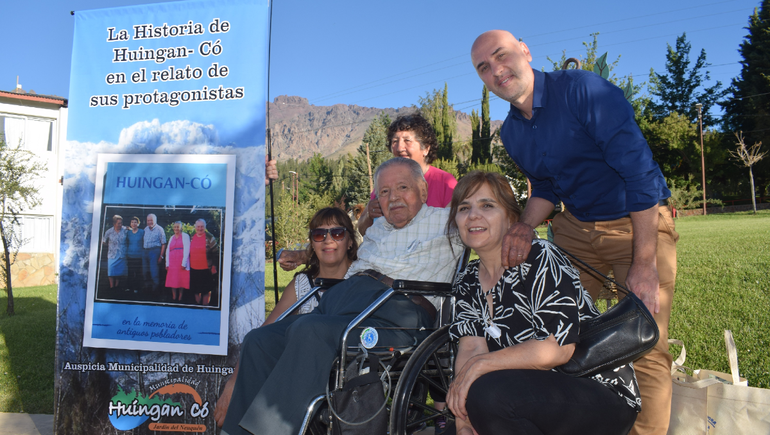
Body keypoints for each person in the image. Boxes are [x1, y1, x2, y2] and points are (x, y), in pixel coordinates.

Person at [470, 30, 678, 435]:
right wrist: (524, 227)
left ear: (525, 51)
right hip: (574, 229)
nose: (496, 70)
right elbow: (546, 187)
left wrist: (644, 261)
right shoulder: (511, 132)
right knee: (559, 338)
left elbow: (639, 175)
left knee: (645, 341)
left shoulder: (584, 91)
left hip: (635, 224)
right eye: (483, 67)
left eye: (501, 55)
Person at [220, 157, 463, 435]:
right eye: (384, 192)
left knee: (310, 330)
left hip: (397, 311)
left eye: (402, 188)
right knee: (259, 340)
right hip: (343, 299)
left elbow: (489, 218)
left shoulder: (447, 222)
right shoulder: (376, 228)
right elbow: (340, 248)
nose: (393, 197)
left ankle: (270, 431)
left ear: (423, 190)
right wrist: (303, 255)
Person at [446, 171, 640, 435]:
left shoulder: (539, 258)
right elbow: (471, 347)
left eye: (487, 205)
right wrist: (463, 419)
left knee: (489, 393)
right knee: (480, 398)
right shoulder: (467, 279)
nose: (472, 216)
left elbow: (557, 349)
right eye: (464, 208)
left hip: (595, 392)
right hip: (524, 392)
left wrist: (480, 367)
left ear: (511, 217)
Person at [213, 207, 359, 426]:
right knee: (258, 343)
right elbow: (262, 334)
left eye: (337, 233)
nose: (328, 240)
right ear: (313, 243)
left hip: (342, 365)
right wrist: (233, 382)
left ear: (349, 241)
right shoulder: (302, 284)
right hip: (298, 369)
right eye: (320, 234)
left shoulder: (362, 277)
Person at [357, 113, 458, 235]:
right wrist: (369, 214)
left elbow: (455, 227)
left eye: (407, 141)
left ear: (426, 148)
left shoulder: (445, 182)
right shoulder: (384, 182)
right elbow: (363, 231)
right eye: (395, 141)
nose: (399, 148)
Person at [165, 221, 190, 302]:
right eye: (175, 227)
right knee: (173, 279)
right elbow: (168, 250)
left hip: (181, 262)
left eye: (178, 227)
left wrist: (184, 263)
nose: (176, 228)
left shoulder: (185, 236)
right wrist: (167, 263)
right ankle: (174, 296)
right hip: (172, 263)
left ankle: (181, 296)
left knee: (181, 279)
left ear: (181, 228)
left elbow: (187, 250)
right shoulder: (171, 237)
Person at [142, 213, 167, 294]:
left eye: (151, 220)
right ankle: (147, 288)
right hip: (145, 251)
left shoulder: (160, 229)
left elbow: (163, 243)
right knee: (145, 271)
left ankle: (155, 291)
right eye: (148, 220)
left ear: (155, 220)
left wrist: (161, 256)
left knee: (154, 272)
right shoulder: (145, 229)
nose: (149, 222)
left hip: (154, 251)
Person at [102, 215, 127, 289]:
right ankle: (111, 286)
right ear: (114, 223)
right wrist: (109, 245)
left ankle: (117, 286)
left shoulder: (125, 229)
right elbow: (103, 241)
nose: (120, 225)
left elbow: (132, 230)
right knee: (111, 269)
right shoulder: (109, 231)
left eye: (121, 223)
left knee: (118, 271)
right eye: (118, 223)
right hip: (112, 254)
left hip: (121, 254)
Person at [125, 216, 144, 293]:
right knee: (130, 272)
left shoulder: (142, 232)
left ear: (138, 223)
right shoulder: (128, 233)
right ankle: (129, 287)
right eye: (132, 222)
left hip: (139, 256)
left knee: (137, 273)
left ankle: (137, 288)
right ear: (130, 224)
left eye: (135, 222)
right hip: (130, 255)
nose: (134, 224)